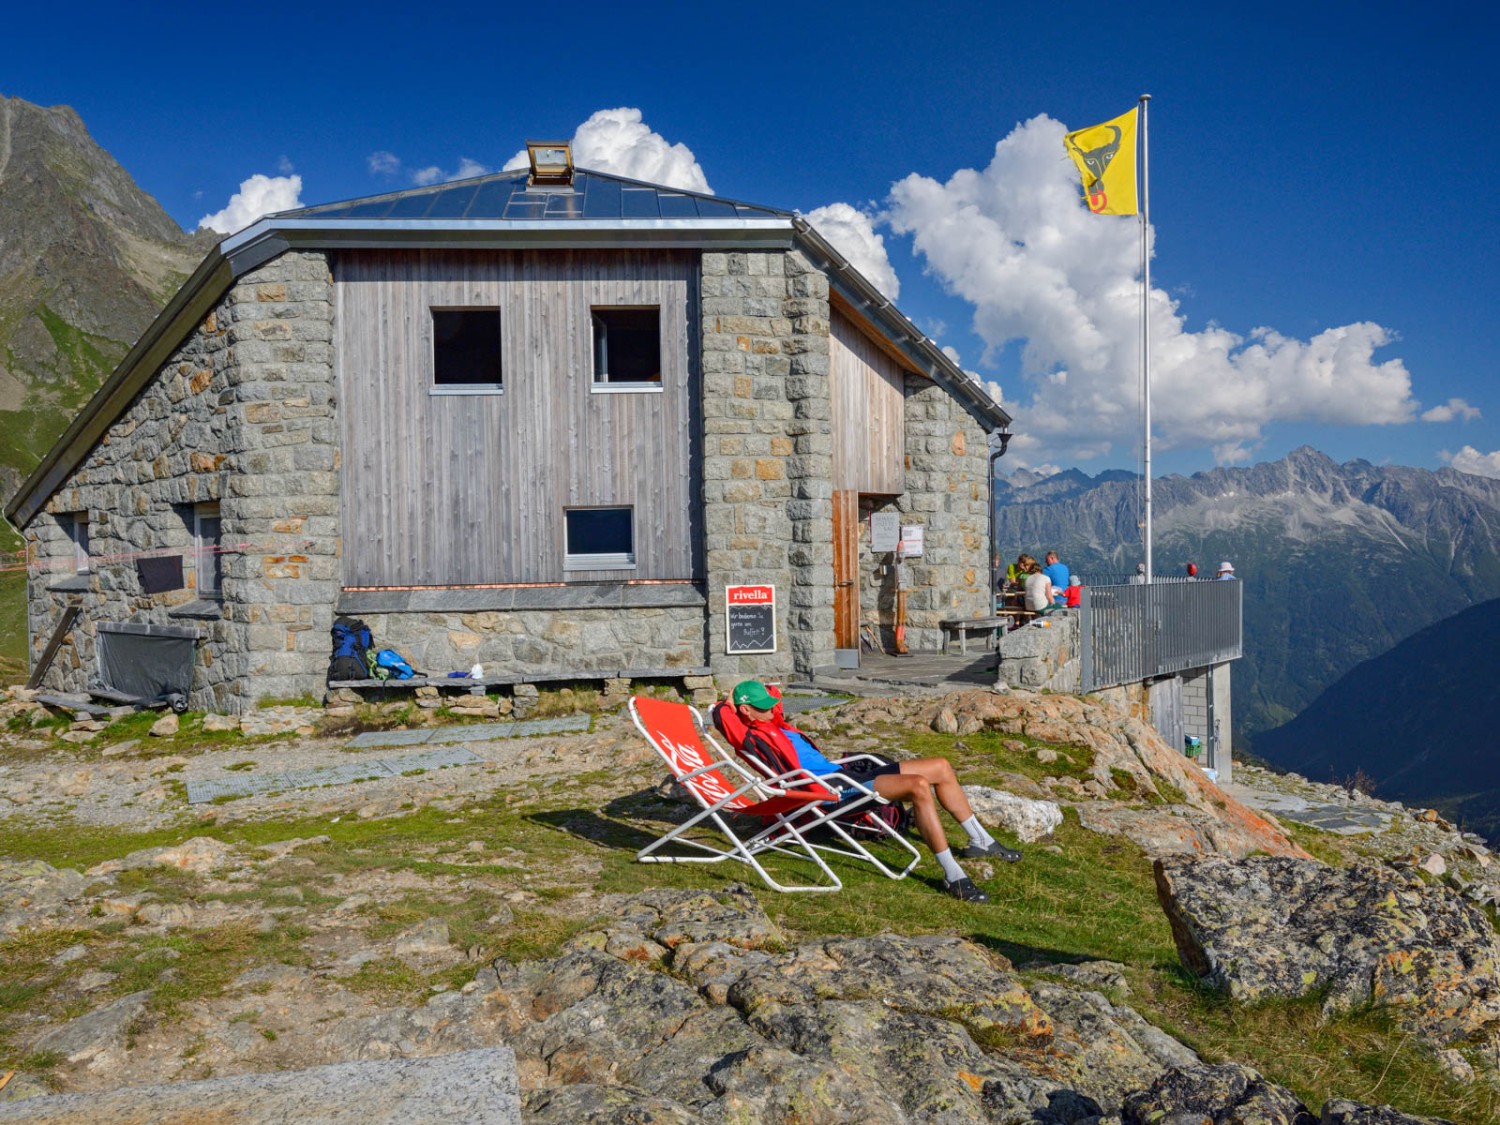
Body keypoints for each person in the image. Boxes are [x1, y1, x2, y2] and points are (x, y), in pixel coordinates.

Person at [723, 680, 1022, 903]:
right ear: (746, 710)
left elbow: (773, 697)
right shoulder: (752, 734)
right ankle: (952, 875)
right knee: (918, 786)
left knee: (941, 766)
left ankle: (980, 839)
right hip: (832, 791)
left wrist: (752, 698)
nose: (769, 710)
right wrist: (728, 704)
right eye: (759, 708)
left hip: (845, 774)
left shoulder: (775, 723)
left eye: (768, 706)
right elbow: (723, 718)